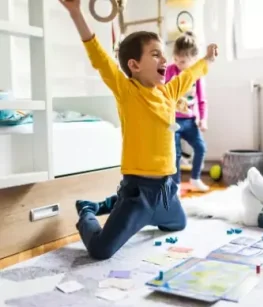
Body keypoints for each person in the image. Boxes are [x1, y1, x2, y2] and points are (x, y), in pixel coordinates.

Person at [61, 0, 217, 260]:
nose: (164, 59)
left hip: (167, 190)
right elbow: (99, 57)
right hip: (138, 193)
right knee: (101, 250)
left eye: (162, 54)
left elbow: (189, 76)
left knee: (178, 224)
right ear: (134, 65)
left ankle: (114, 207)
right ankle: (89, 210)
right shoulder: (127, 92)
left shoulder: (168, 92)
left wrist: (207, 59)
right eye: (155, 54)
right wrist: (76, 13)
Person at [166, 32, 210, 192]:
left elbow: (202, 99)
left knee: (200, 148)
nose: (178, 63)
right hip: (173, 121)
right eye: (175, 59)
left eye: (182, 61)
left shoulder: (196, 75)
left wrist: (203, 119)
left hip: (190, 121)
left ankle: (195, 178)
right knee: (175, 153)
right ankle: (176, 184)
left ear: (193, 59)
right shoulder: (170, 71)